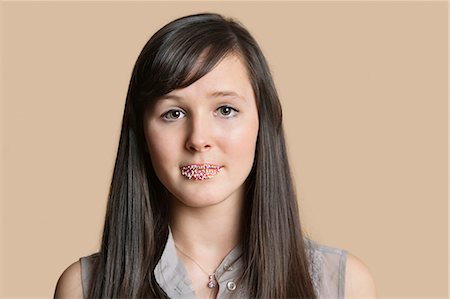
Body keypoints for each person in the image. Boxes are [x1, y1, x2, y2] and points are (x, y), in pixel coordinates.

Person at [54, 13, 376, 299]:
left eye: (225, 109)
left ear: (263, 122)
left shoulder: (342, 286)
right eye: (174, 113)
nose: (198, 139)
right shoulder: (84, 288)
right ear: (141, 131)